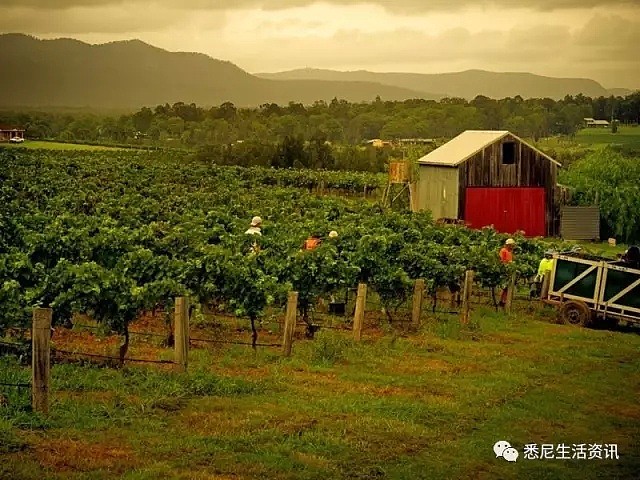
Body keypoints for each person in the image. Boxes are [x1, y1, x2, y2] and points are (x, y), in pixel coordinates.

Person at [499, 238, 515, 306]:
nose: (512, 247)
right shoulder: (503, 251)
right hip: (505, 270)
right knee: (504, 287)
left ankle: (504, 300)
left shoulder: (509, 252)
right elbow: (501, 261)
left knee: (507, 287)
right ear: (508, 245)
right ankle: (500, 300)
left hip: (509, 270)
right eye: (511, 245)